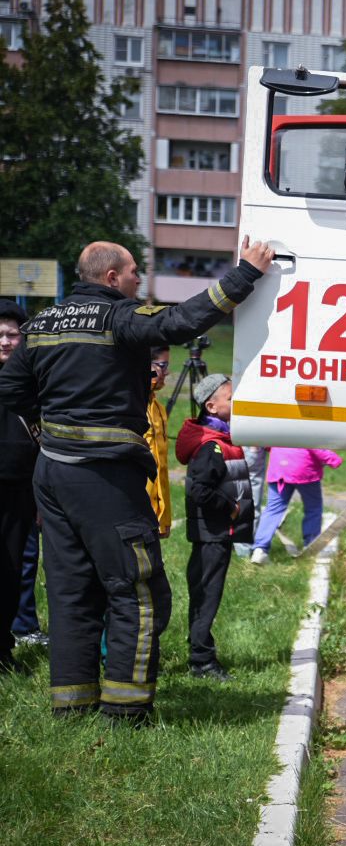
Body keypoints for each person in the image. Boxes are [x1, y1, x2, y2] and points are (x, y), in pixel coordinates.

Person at [0, 237, 271, 721]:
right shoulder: (118, 316)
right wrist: (244, 274)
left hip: (53, 475)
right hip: (105, 479)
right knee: (137, 589)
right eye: (131, 275)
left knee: (70, 593)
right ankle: (125, 711)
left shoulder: (40, 325)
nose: (137, 282)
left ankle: (73, 706)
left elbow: (12, 389)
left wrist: (53, 430)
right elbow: (183, 320)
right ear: (110, 278)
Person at [176, 374, 254, 681]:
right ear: (212, 405)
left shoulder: (222, 439)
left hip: (218, 533)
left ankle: (200, 651)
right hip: (212, 534)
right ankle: (202, 662)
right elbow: (199, 491)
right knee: (207, 595)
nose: (236, 402)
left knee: (207, 593)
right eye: (231, 398)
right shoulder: (211, 446)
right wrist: (231, 507)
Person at [0, 299, 36, 672]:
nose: (6, 341)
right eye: (0, 335)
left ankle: (3, 647)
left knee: (13, 570)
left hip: (20, 488)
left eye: (13, 334)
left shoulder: (31, 380)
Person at [250, 446, 343, 565]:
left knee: (273, 510)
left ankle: (260, 549)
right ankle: (310, 544)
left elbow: (267, 444)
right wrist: (333, 459)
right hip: (305, 470)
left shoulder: (276, 427)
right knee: (313, 508)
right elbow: (313, 443)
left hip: (279, 468)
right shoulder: (308, 426)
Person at [145, 346, 172, 539]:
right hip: (136, 506)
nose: (167, 371)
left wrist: (164, 517)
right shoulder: (130, 403)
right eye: (163, 365)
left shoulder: (157, 407)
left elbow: (161, 466)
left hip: (154, 508)